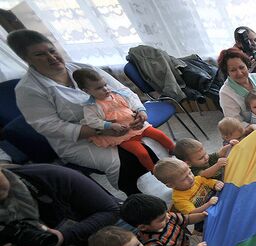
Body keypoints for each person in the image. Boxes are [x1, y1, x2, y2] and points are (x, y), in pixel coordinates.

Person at [8, 29, 160, 194]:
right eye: (40, 55)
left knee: (152, 146)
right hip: (78, 141)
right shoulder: (28, 89)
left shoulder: (83, 69)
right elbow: (48, 126)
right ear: (26, 59)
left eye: (52, 51)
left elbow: (123, 91)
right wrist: (102, 129)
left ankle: (169, 183)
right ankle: (140, 200)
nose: (51, 58)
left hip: (120, 124)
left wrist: (139, 110)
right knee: (123, 162)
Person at [72, 68, 175, 171]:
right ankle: (154, 170)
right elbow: (92, 121)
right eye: (99, 88)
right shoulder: (91, 106)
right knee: (142, 153)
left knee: (161, 135)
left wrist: (141, 111)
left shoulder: (118, 95)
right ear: (86, 91)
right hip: (122, 135)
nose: (106, 89)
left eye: (105, 85)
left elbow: (133, 103)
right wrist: (110, 125)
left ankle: (175, 152)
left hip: (138, 126)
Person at [120, 193, 207, 246]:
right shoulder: (150, 241)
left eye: (166, 212)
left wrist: (202, 215)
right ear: (143, 227)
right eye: (162, 219)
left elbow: (187, 219)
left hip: (191, 241)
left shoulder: (166, 216)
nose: (168, 217)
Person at [153, 158, 223, 215]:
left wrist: (216, 184)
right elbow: (193, 213)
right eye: (184, 179)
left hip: (218, 203)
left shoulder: (197, 179)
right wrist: (208, 204)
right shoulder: (179, 199)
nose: (191, 178)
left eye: (190, 172)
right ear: (171, 185)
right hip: (205, 216)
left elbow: (210, 182)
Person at [218, 48, 256, 128]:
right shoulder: (225, 93)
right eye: (233, 70)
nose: (239, 73)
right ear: (227, 72)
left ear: (247, 65)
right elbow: (236, 123)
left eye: (242, 67)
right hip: (251, 130)